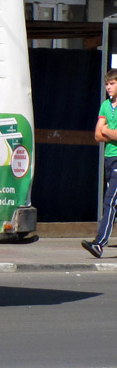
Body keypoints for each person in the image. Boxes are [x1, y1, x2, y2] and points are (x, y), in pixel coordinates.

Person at [83, 70, 117, 257]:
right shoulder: (105, 106)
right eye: (107, 84)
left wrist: (107, 131)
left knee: (110, 201)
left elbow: (105, 132)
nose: (108, 87)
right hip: (109, 158)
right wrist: (108, 132)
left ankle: (99, 243)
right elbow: (97, 135)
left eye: (112, 83)